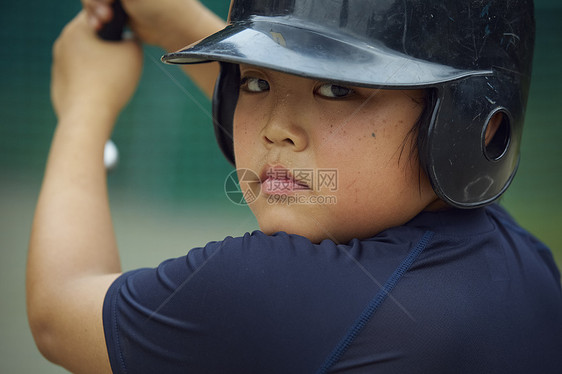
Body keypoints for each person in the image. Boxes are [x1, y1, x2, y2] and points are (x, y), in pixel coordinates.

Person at [27, 0, 562, 373]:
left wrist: (85, 104)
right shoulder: (525, 262)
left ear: (474, 126)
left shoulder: (271, 290)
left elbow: (57, 311)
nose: (274, 128)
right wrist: (179, 21)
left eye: (336, 89)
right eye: (254, 82)